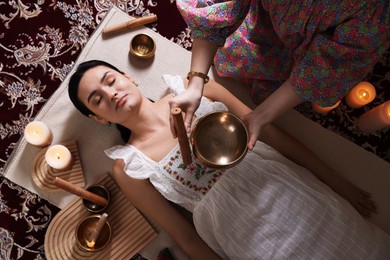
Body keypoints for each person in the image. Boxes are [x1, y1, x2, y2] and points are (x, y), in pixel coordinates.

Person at [68, 60, 389, 259]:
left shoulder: (196, 91)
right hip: (244, 236)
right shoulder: (129, 166)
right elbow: (185, 237)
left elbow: (270, 134)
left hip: (291, 194)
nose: (110, 93)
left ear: (127, 76)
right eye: (97, 99)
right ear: (97, 118)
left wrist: (336, 181)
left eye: (110, 81)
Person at [172, 0, 389, 150]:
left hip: (304, 47)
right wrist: (196, 82)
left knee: (266, 88)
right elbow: (216, 5)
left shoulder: (375, 13)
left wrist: (260, 117)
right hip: (263, 14)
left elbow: (327, 68)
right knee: (230, 60)